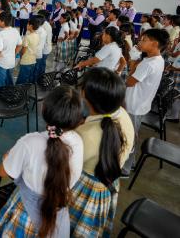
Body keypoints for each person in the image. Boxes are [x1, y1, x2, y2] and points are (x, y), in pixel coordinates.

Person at [0, 86, 84, 238]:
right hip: (58, 214)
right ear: (77, 119)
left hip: (26, 214)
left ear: (44, 109)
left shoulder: (29, 142)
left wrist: (8, 158)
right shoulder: (78, 142)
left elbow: (2, 172)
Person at [70, 68, 134, 237]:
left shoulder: (85, 134)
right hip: (108, 184)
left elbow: (65, 169)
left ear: (84, 94)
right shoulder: (124, 117)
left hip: (85, 190)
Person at [123, 29, 169, 173]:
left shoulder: (148, 64)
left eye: (144, 40)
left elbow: (129, 82)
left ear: (155, 44)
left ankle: (125, 169)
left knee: (128, 136)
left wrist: (132, 64)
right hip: (141, 103)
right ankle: (130, 162)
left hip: (134, 105)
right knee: (132, 134)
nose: (140, 42)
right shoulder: (157, 59)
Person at [0, 12, 22, 95]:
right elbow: (20, 44)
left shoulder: (1, 34)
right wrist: (14, 54)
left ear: (2, 22)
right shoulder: (15, 31)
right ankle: (9, 97)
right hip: (11, 62)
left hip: (1, 63)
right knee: (9, 81)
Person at [16, 17, 40, 84]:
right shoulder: (37, 35)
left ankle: (19, 92)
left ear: (31, 26)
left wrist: (20, 56)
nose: (26, 25)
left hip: (26, 60)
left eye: (27, 24)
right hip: (33, 60)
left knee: (22, 79)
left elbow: (23, 50)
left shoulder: (28, 37)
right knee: (29, 77)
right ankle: (27, 91)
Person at [35, 11, 53, 79]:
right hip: (45, 47)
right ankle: (40, 77)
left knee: (40, 65)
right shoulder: (44, 24)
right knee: (42, 64)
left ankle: (39, 78)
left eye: (39, 15)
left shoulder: (44, 26)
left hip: (44, 48)